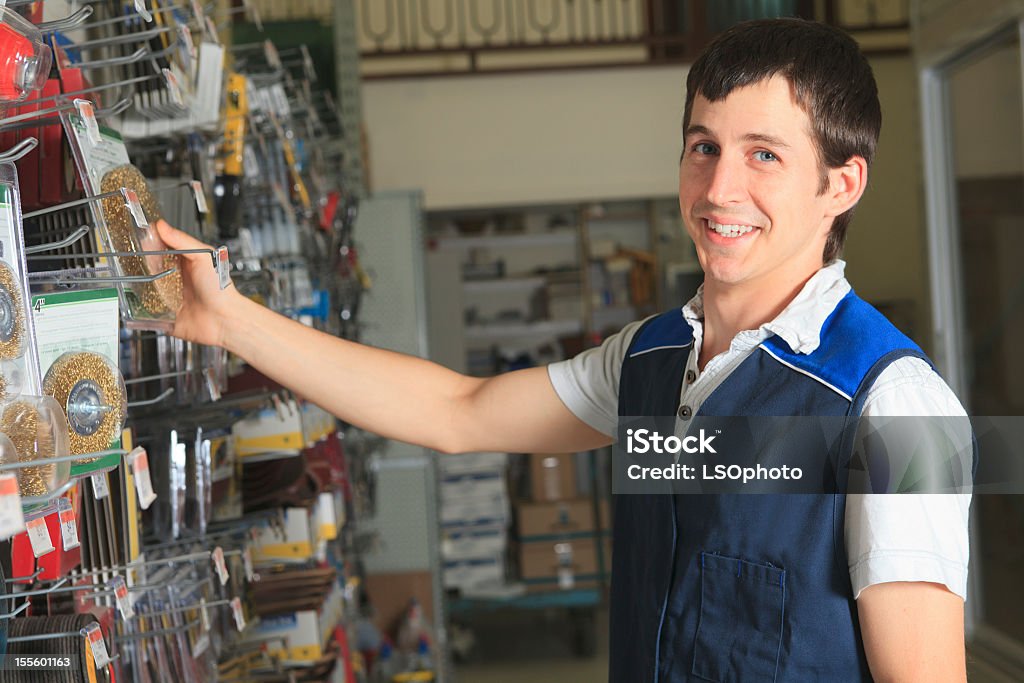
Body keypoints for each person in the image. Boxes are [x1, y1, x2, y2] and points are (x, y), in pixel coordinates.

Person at [157, 18, 970, 681]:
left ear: (842, 184)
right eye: (703, 146)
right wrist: (230, 320)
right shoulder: (651, 360)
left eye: (765, 154)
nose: (720, 189)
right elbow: (456, 411)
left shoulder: (899, 406)